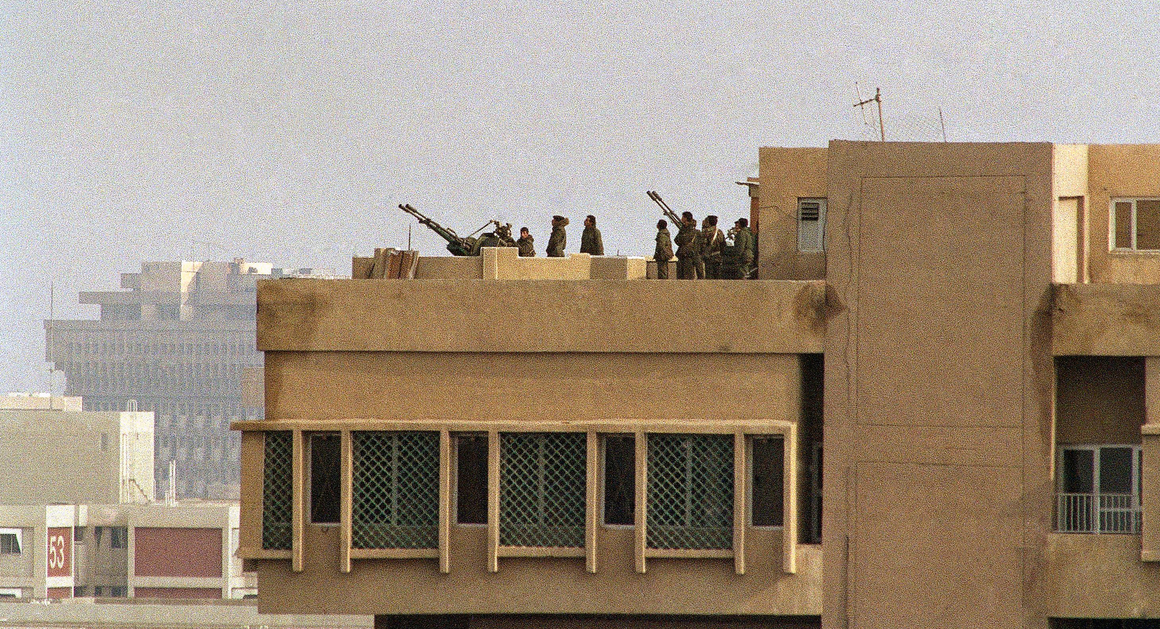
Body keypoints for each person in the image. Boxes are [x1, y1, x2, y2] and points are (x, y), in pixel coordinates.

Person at [674, 211, 700, 280]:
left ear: (685, 218)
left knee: (687, 277)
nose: (681, 218)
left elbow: (680, 240)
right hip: (684, 256)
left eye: (683, 217)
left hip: (688, 257)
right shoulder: (685, 229)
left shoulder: (689, 230)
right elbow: (676, 240)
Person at [701, 215, 725, 279]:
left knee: (709, 275)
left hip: (709, 256)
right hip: (718, 256)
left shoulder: (705, 231)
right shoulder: (720, 232)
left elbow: (702, 244)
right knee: (717, 275)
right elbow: (723, 244)